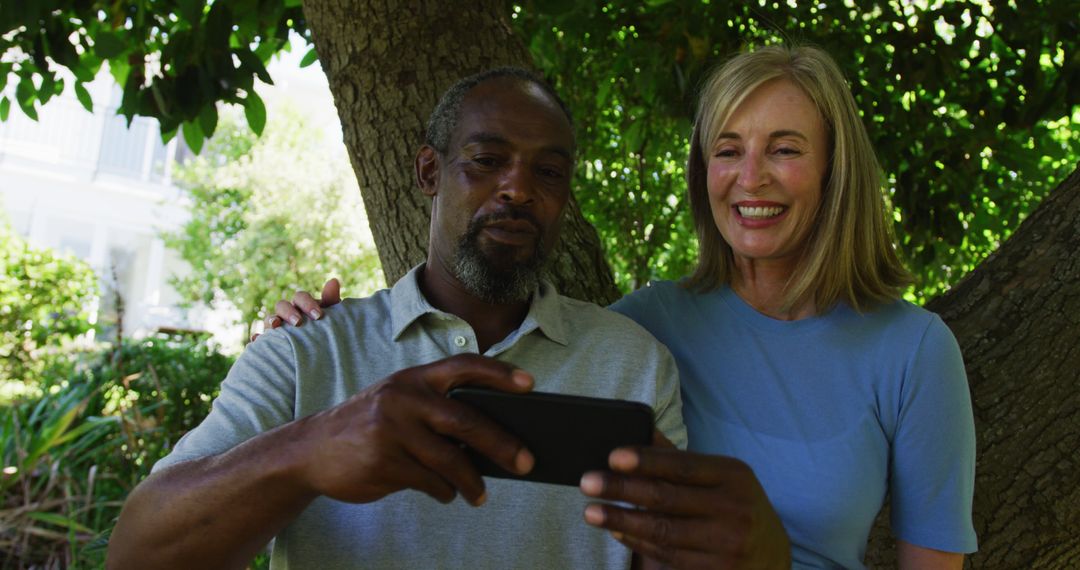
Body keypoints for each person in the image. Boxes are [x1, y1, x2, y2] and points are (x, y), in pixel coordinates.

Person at [273, 46, 977, 569]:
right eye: (728, 149)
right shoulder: (641, 329)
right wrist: (313, 330)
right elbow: (493, 353)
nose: (751, 177)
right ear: (705, 173)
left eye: (785, 149)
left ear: (834, 171)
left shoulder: (913, 351)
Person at [108, 67, 791, 570]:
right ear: (429, 171)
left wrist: (751, 550)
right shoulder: (306, 352)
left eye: (548, 174)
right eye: (487, 160)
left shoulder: (635, 362)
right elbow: (135, 554)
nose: (518, 189)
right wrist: (306, 453)